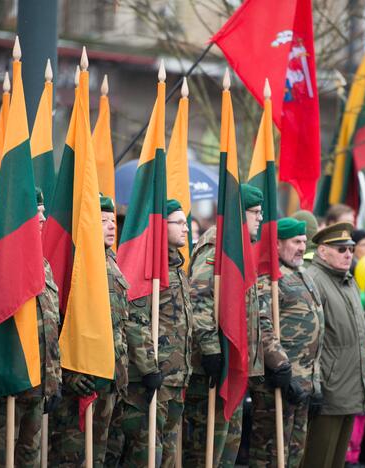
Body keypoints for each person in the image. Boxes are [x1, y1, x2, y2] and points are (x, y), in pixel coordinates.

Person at [182, 184, 289, 467]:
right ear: (239, 215)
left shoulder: (241, 248)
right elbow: (199, 298)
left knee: (226, 454)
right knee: (207, 452)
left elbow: (251, 310)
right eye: (254, 213)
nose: (260, 219)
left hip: (236, 367)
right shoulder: (217, 245)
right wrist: (211, 350)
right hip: (214, 371)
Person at [52, 195, 152, 467]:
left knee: (99, 456)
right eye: (103, 220)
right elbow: (60, 320)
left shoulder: (112, 263)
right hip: (81, 380)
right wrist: (70, 372)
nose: (111, 226)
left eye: (112, 220)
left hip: (110, 380)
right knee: (71, 456)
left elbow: (121, 324)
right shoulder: (75, 265)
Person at [0, 187, 61, 467]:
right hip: (2, 388)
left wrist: (53, 381)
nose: (44, 220)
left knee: (28, 461)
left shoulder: (43, 265)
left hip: (36, 385)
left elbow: (50, 326)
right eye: (37, 214)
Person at [106, 199, 191, 467]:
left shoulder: (178, 269)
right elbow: (134, 319)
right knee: (145, 457)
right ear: (159, 226)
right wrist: (148, 367)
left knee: (166, 456)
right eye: (178, 222)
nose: (186, 228)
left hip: (176, 380)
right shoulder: (148, 269)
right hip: (151, 381)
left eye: (185, 222)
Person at [249, 217, 324, 467]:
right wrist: (280, 366)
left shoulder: (302, 274)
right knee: (270, 453)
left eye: (304, 241)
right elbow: (261, 325)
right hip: (279, 380)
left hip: (303, 382)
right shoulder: (268, 278)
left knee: (294, 453)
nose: (302, 247)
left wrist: (315, 382)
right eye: (296, 242)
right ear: (278, 244)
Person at [303, 222, 365, 468]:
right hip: (329, 388)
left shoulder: (348, 280)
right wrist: (316, 385)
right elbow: (310, 341)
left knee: (336, 460)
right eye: (341, 249)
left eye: (351, 249)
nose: (348, 254)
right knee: (317, 459)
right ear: (322, 251)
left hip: (349, 385)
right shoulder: (314, 280)